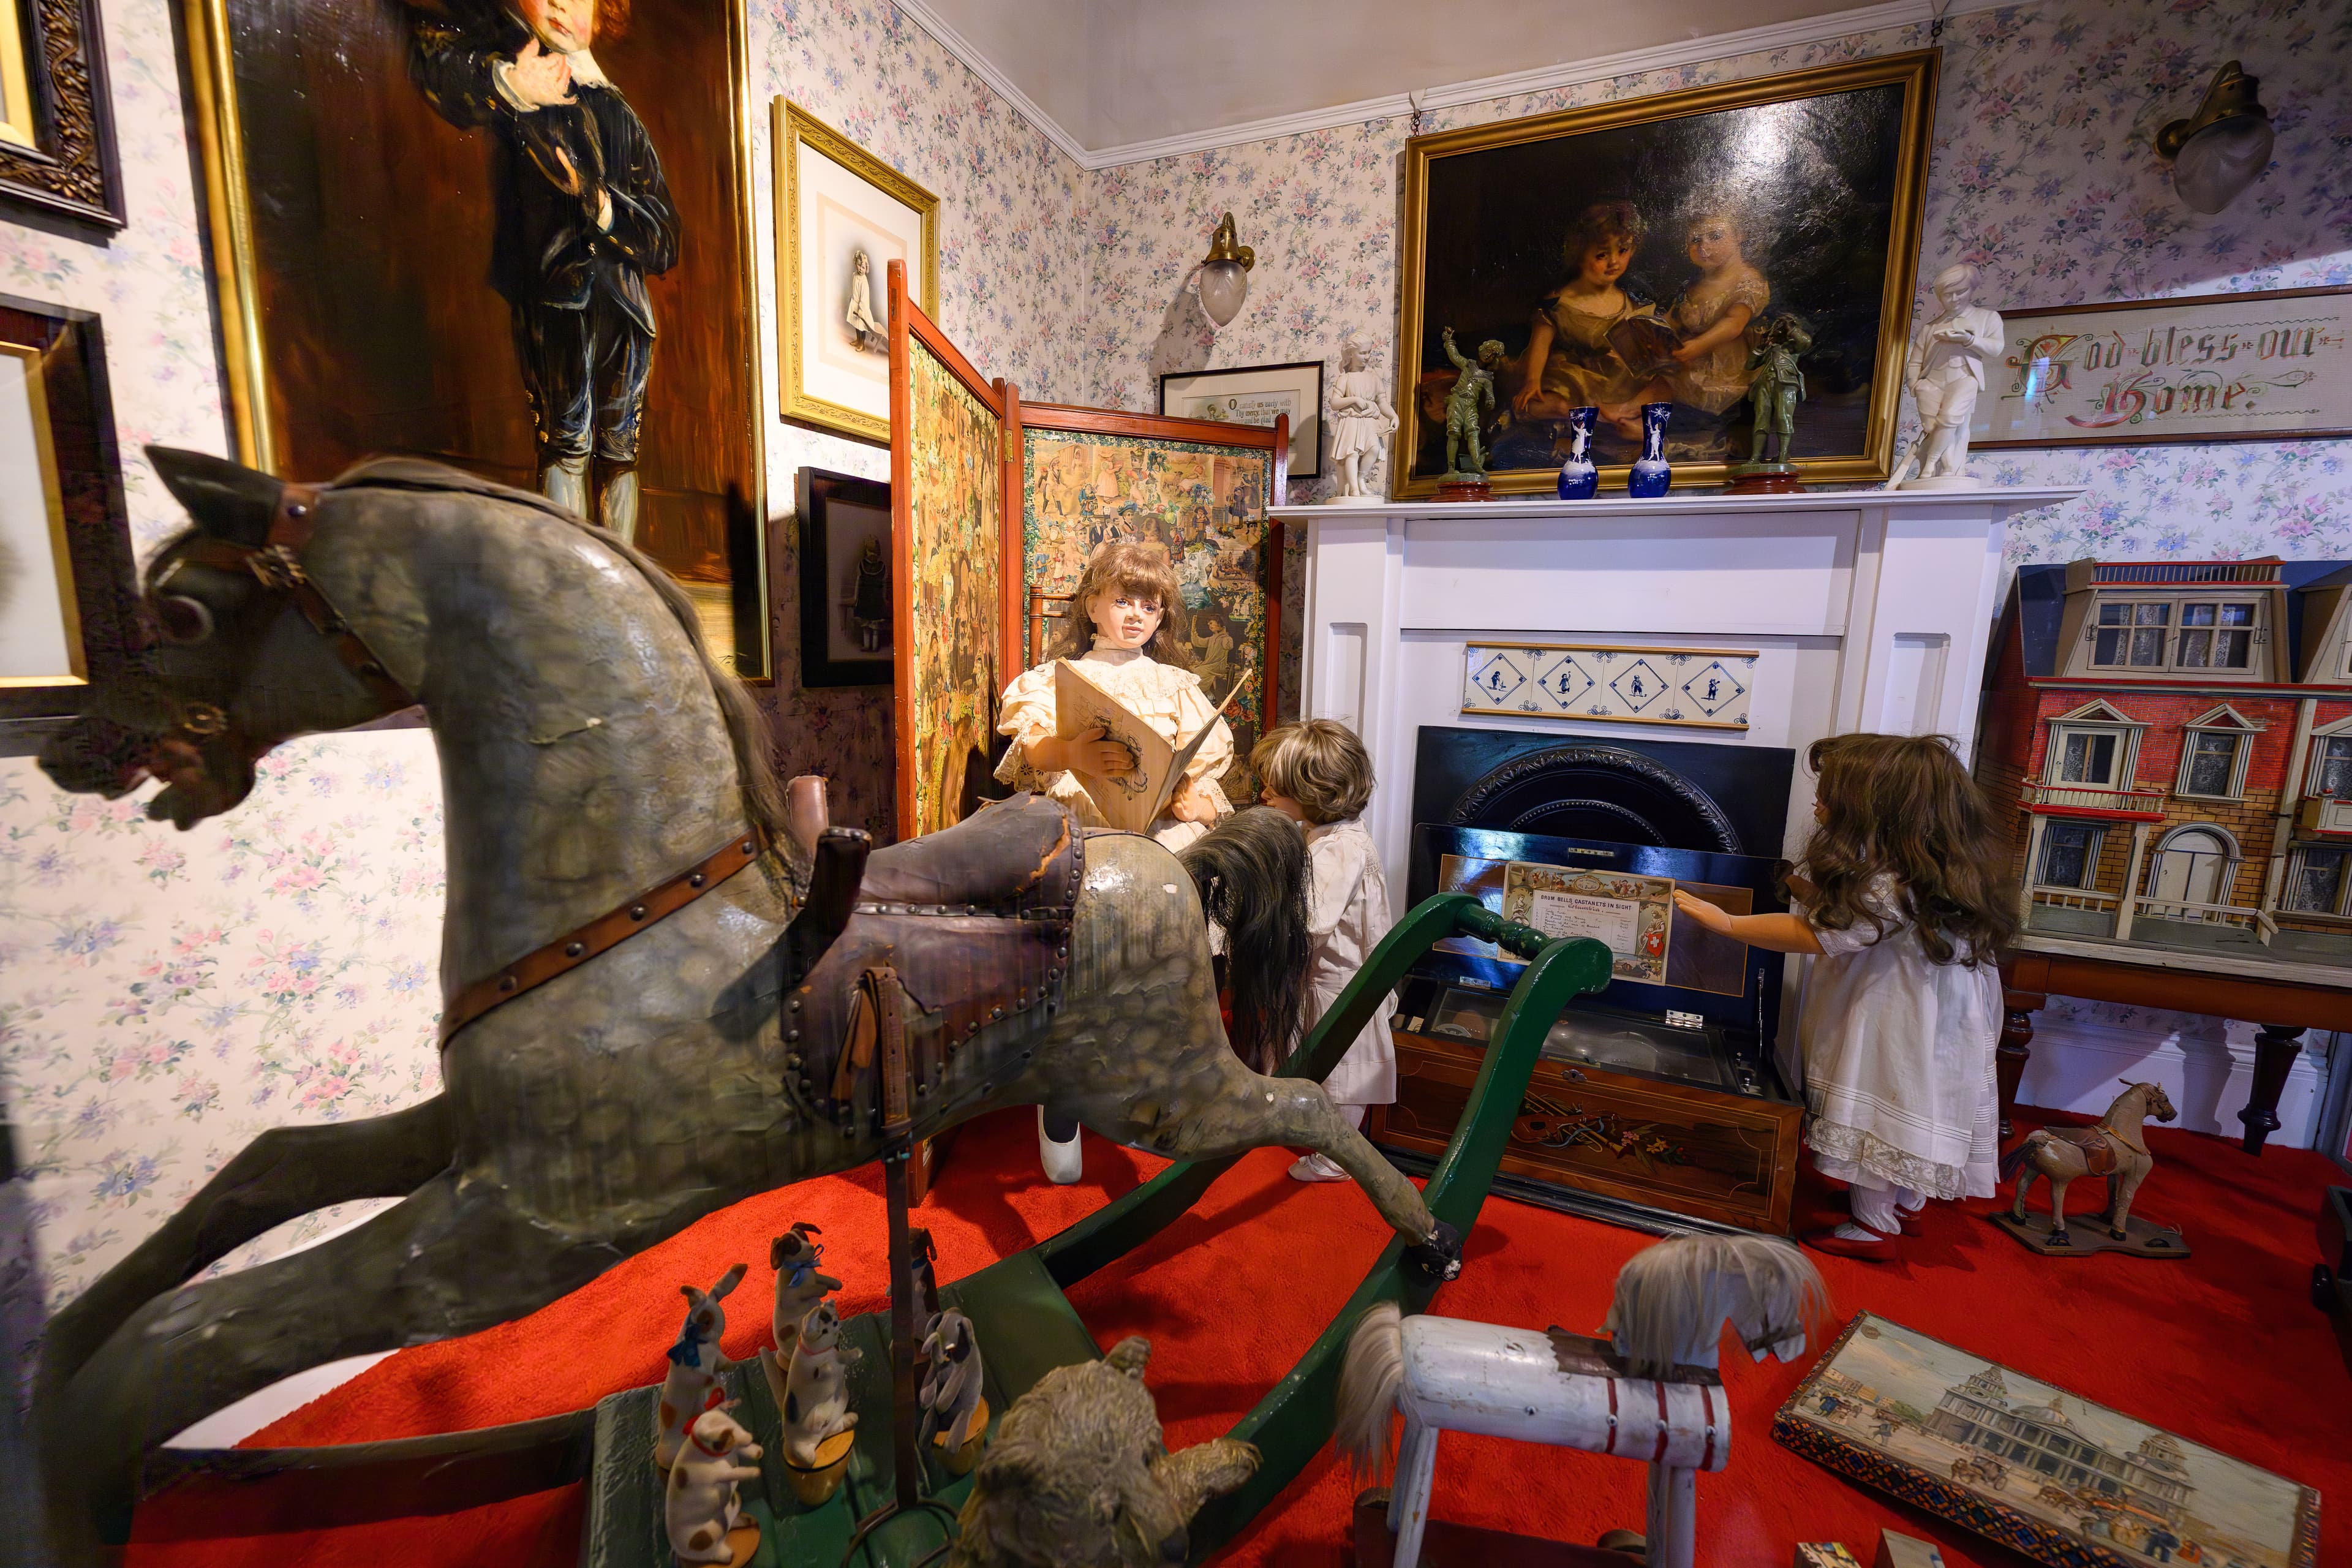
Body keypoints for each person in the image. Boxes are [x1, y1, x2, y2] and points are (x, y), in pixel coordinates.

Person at [1672, 733, 2014, 1259]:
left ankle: (1874, 1224)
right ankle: (1903, 1201)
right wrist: (1804, 889)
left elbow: (1819, 937)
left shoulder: (1887, 884)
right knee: (1915, 1098)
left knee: (1881, 1098)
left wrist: (1726, 921)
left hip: (1890, 1015)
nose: (1817, 804)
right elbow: (1853, 915)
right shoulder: (1923, 870)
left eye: (1829, 795)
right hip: (1934, 1015)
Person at [997, 540, 1236, 1183]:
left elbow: (1208, 766)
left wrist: (1194, 795)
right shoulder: (1055, 680)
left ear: (1163, 617)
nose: (1135, 615)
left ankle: (1157, 1087)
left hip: (1158, 837)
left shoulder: (1178, 687)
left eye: (1150, 605)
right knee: (1082, 960)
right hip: (1083, 835)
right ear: (1093, 604)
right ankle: (1063, 1095)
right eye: (1123, 600)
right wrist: (1072, 749)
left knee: (1171, 932)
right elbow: (1025, 753)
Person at [408, 0, 679, 543]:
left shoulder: (620, 113)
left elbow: (665, 239)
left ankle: (622, 573)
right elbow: (443, 69)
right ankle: (573, 572)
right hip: (555, 298)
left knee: (621, 449)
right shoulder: (516, 74)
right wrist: (509, 81)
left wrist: (599, 203)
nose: (558, 3)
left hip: (627, 314)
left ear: (605, 15)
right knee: (566, 441)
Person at [1251, 720, 1395, 1182]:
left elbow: (1310, 922)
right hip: (1326, 974)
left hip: (1338, 980)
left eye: (1275, 789)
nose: (1264, 795)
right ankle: (1307, 1127)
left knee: (1342, 1070)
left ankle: (1338, 1157)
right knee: (1314, 1054)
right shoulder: (1333, 835)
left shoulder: (1338, 851)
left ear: (1314, 794)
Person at [1512, 201, 1657, 437]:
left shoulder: (1632, 302)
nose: (1614, 262)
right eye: (1602, 254)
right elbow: (1539, 345)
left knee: (1662, 384)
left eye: (1623, 250)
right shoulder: (1560, 302)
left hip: (1618, 381)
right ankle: (1594, 417)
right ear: (1580, 253)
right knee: (1539, 403)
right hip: (1573, 381)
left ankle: (1619, 415)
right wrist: (1532, 381)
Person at [1665, 202, 1771, 415]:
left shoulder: (1747, 280)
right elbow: (1673, 319)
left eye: (1715, 237)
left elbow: (1734, 324)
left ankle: (1648, 424)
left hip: (1723, 369)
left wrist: (1698, 346)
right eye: (1696, 240)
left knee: (1666, 379)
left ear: (1739, 235)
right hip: (1688, 358)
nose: (1703, 247)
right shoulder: (1694, 284)